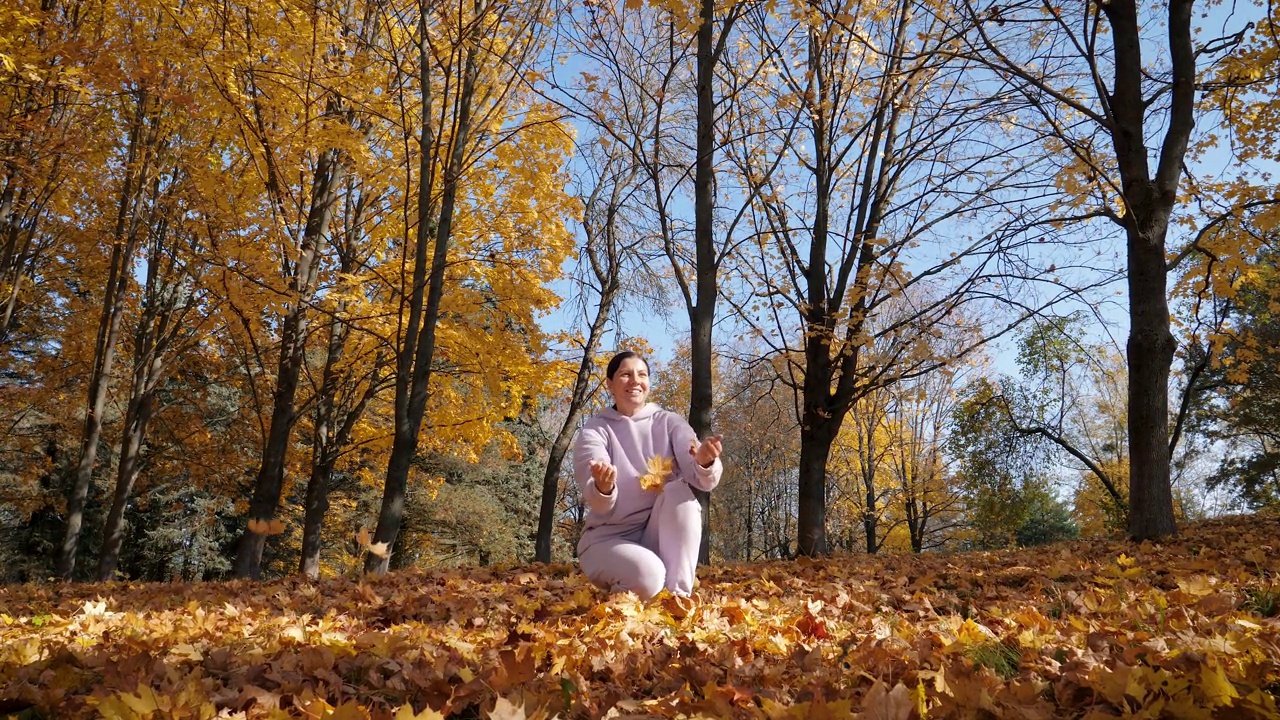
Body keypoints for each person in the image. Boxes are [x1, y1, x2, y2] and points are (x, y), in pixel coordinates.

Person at [573, 350, 723, 599]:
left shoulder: (669, 422)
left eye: (641, 374)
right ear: (610, 384)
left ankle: (677, 599)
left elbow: (702, 480)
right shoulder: (595, 430)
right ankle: (625, 596)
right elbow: (597, 501)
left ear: (649, 384)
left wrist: (705, 462)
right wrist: (603, 486)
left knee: (679, 491)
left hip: (656, 536)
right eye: (625, 374)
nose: (634, 381)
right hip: (608, 540)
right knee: (649, 576)